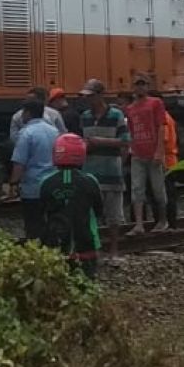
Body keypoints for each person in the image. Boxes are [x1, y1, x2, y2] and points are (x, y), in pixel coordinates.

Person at [39, 134, 105, 279]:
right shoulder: (90, 180)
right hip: (87, 243)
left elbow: (40, 213)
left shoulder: (46, 182)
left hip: (55, 243)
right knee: (87, 281)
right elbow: (99, 210)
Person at [78, 78, 129, 261]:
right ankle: (94, 248)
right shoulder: (84, 116)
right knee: (89, 213)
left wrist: (100, 141)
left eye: (90, 96)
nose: (87, 100)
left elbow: (126, 141)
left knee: (114, 214)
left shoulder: (116, 115)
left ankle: (114, 250)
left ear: (100, 95)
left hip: (111, 170)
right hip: (90, 170)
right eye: (86, 97)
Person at [10, 99, 61, 240]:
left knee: (33, 223)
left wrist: (13, 183)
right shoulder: (54, 131)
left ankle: (37, 251)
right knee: (52, 221)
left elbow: (19, 162)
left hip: (33, 187)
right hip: (53, 184)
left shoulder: (26, 133)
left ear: (28, 113)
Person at [125, 75, 169, 234]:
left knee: (158, 188)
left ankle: (163, 221)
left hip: (153, 153)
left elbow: (161, 127)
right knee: (137, 189)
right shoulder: (130, 108)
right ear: (133, 87)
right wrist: (130, 149)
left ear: (148, 87)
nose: (140, 87)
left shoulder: (155, 103)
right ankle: (138, 224)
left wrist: (159, 151)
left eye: (143, 84)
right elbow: (130, 130)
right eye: (137, 84)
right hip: (138, 153)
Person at [163, 110, 181, 230]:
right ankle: (170, 223)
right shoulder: (167, 116)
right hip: (169, 160)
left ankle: (169, 223)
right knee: (168, 193)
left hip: (166, 161)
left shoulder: (163, 118)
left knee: (167, 194)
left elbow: (164, 139)